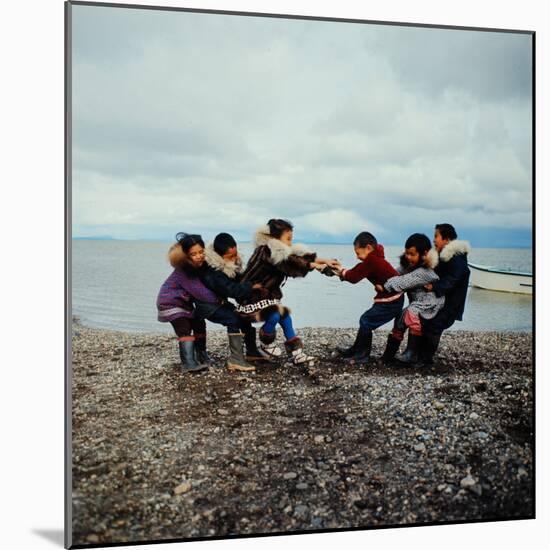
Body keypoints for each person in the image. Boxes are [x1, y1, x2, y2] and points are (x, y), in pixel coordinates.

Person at [156, 233, 263, 374]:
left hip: (187, 303)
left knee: (199, 324)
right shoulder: (185, 271)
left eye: (201, 252)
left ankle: (202, 355)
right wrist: (220, 300)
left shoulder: (202, 265)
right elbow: (201, 293)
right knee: (185, 329)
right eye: (193, 254)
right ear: (186, 256)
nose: (199, 256)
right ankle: (189, 364)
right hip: (171, 303)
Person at [236, 219, 338, 366]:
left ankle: (297, 353)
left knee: (285, 316)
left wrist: (324, 261)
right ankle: (266, 342)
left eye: (292, 239)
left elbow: (296, 258)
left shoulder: (278, 251)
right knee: (275, 314)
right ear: (275, 238)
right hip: (250, 297)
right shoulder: (266, 251)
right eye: (288, 239)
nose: (290, 242)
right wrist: (315, 265)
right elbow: (289, 263)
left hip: (266, 296)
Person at [333, 231, 405, 364]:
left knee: (366, 321)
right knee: (366, 320)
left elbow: (354, 277)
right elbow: (359, 269)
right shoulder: (375, 258)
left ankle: (362, 355)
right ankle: (356, 350)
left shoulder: (372, 260)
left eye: (358, 253)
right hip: (393, 298)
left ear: (368, 248)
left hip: (391, 301)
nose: (357, 257)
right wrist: (343, 272)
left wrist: (340, 271)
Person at [375, 233, 444, 365]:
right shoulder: (409, 266)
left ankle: (411, 353)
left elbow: (403, 282)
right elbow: (395, 274)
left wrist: (385, 286)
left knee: (411, 313)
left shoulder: (425, 272)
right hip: (418, 302)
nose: (408, 257)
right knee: (400, 319)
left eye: (412, 254)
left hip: (431, 304)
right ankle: (388, 355)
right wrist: (381, 277)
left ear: (424, 254)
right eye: (407, 253)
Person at [203, 232, 270, 363]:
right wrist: (250, 286)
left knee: (244, 318)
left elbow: (237, 280)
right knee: (233, 320)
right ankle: (236, 359)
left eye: (236, 253)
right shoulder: (213, 269)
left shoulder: (229, 264)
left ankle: (252, 351)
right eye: (231, 256)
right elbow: (231, 289)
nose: (235, 257)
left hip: (220, 302)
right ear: (220, 255)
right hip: (208, 306)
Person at [420, 223, 471, 365]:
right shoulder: (445, 257)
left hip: (451, 304)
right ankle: (421, 356)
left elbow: (452, 279)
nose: (434, 240)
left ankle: (426, 359)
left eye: (436, 236)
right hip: (443, 301)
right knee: (427, 324)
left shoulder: (456, 258)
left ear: (447, 239)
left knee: (434, 326)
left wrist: (434, 287)